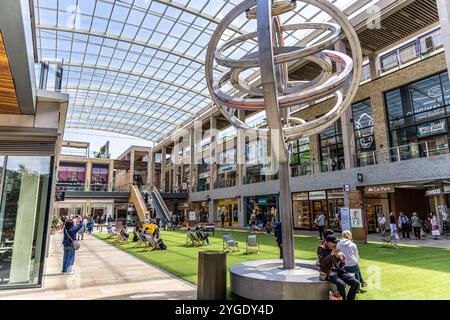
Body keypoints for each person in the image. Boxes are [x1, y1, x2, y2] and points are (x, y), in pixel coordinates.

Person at [317, 235, 360, 301]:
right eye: (334, 243)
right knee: (341, 284)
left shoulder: (336, 248)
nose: (336, 244)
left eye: (336, 242)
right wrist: (332, 254)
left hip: (338, 270)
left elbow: (341, 265)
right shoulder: (321, 248)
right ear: (328, 243)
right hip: (328, 271)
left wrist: (342, 260)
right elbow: (322, 263)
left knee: (356, 283)